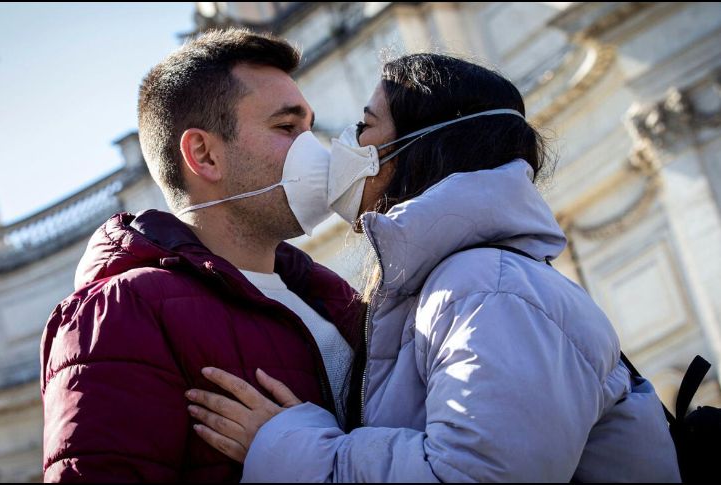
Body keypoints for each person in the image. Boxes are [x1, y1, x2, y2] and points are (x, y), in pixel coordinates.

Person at [184, 53, 682, 482]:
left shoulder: (489, 290)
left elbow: (474, 475)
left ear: (413, 148)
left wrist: (285, 447)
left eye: (363, 128)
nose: (340, 149)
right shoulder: (464, 284)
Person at [39, 28, 363, 482]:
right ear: (204, 154)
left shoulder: (336, 299)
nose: (314, 150)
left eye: (309, 127)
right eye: (287, 128)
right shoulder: (120, 313)